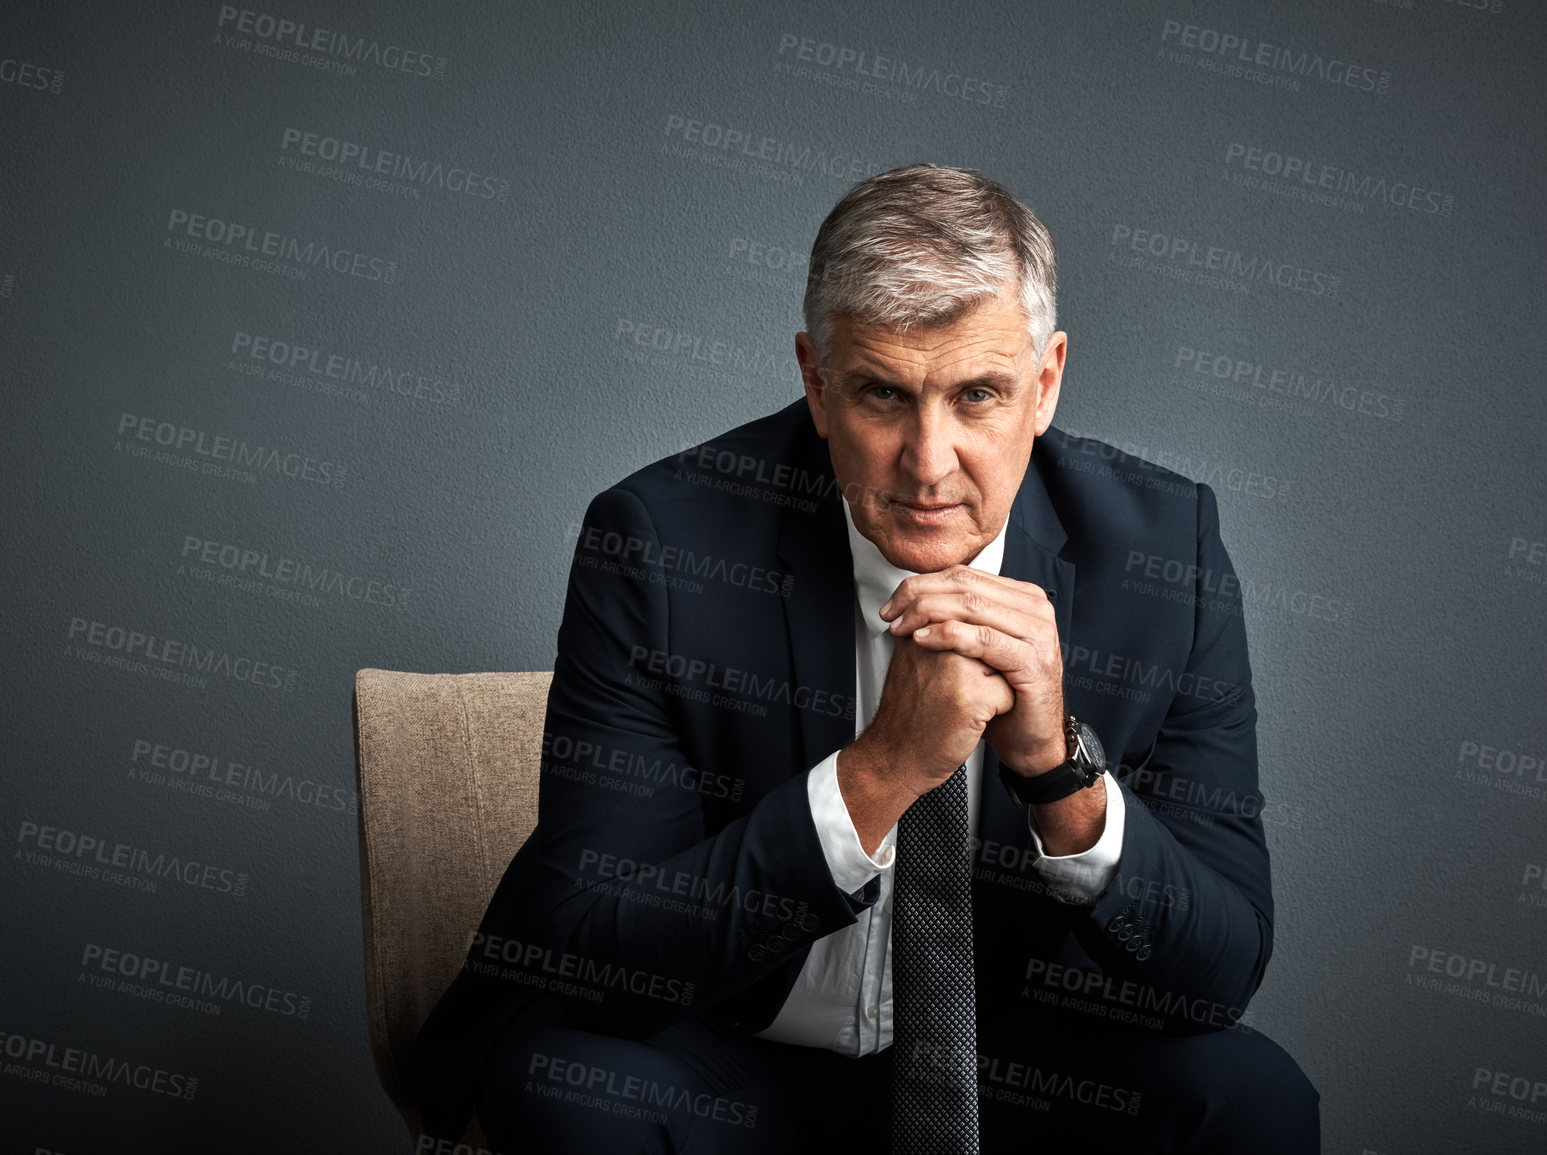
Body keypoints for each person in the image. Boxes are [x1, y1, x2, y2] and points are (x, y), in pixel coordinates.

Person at [413, 163, 1319, 1153]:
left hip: (1015, 1070)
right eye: (884, 395)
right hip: (727, 1043)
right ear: (816, 380)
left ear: (1045, 382)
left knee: (1251, 1098)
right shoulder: (662, 545)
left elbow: (1220, 972)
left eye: (978, 395)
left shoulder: (1161, 556)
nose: (929, 463)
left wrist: (1058, 770)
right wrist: (879, 775)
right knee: (579, 1088)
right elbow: (601, 951)